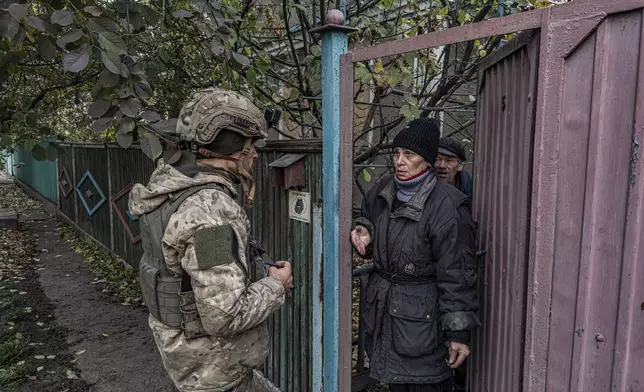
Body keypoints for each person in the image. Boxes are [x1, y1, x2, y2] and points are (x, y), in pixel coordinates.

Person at [128, 88, 292, 392]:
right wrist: (277, 284)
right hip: (215, 370)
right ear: (232, 148)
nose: (255, 154)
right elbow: (224, 315)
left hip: (189, 362)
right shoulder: (209, 213)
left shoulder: (171, 185)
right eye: (250, 145)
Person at [351, 118, 480, 392]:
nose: (400, 161)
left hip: (423, 323)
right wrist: (364, 230)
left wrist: (458, 333)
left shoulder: (448, 208)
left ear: (428, 160)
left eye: (409, 154)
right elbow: (369, 218)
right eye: (396, 153)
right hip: (386, 313)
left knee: (427, 385)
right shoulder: (381, 190)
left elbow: (457, 274)